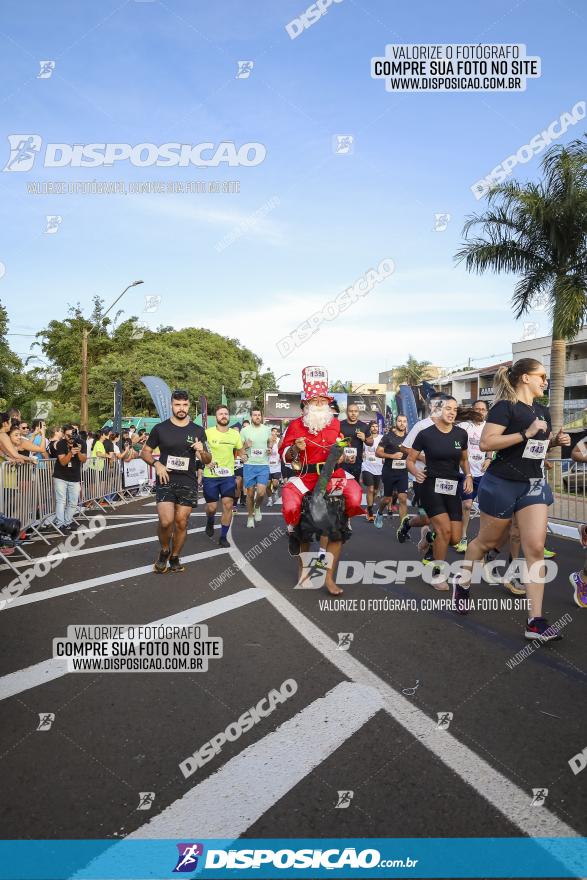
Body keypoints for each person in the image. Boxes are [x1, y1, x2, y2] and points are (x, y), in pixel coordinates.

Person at [459, 359, 571, 639]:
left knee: (535, 547)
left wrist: (555, 441)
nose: (545, 381)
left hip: (532, 484)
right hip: (502, 484)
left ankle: (536, 622)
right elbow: (487, 443)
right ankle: (461, 581)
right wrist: (525, 433)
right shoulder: (504, 407)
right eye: (541, 376)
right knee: (489, 542)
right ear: (524, 378)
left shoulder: (542, 409)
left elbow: (535, 447)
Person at [279, 366, 364, 595]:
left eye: (322, 400)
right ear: (306, 404)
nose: (319, 404)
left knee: (355, 497)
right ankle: (302, 563)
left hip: (332, 475)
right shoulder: (296, 425)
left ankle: (328, 578)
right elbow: (285, 454)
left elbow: (340, 448)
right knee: (293, 511)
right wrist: (294, 450)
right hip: (306, 477)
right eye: (314, 400)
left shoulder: (335, 424)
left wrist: (343, 453)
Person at [406, 397, 471, 591]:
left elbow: (464, 459)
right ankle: (437, 574)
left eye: (455, 410)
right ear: (438, 410)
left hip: (452, 487)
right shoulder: (425, 434)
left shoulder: (461, 434)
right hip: (430, 485)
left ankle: (428, 537)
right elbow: (410, 459)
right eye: (448, 409)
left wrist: (468, 475)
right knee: (444, 530)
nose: (452, 412)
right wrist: (415, 471)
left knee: (455, 538)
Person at [141, 390, 209, 572]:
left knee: (181, 522)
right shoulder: (160, 429)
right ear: (171, 405)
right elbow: (144, 452)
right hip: (166, 480)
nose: (181, 408)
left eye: (185, 405)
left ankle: (176, 556)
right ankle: (164, 550)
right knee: (166, 521)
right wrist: (157, 464)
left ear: (189, 406)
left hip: (188, 481)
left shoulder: (198, 431)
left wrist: (201, 450)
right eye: (177, 405)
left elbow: (207, 460)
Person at [397, 392, 452, 555]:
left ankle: (431, 550)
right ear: (430, 406)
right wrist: (423, 457)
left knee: (441, 517)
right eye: (436, 404)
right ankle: (408, 522)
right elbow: (404, 448)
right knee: (427, 518)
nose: (438, 407)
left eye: (442, 404)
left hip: (445, 479)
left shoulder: (451, 426)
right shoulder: (421, 426)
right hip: (423, 477)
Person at [202, 405, 243, 548]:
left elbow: (241, 450)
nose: (224, 416)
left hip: (228, 476)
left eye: (226, 413)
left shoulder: (235, 434)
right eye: (221, 414)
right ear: (216, 417)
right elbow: (200, 450)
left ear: (229, 416)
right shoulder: (207, 433)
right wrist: (205, 460)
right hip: (210, 476)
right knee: (212, 507)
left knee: (228, 505)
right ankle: (210, 519)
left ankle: (223, 537)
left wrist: (244, 456)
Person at [454, 402, 489, 552]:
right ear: (472, 411)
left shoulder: (489, 426)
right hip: (465, 472)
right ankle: (463, 538)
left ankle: (482, 540)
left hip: (483, 473)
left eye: (483, 409)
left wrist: (489, 458)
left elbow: (492, 444)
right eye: (477, 409)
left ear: (486, 412)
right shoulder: (463, 426)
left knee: (485, 508)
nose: (480, 412)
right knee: (467, 505)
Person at [374, 415, 409, 528]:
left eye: (404, 421)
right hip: (389, 471)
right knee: (387, 499)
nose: (402, 423)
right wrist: (391, 456)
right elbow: (378, 452)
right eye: (399, 421)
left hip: (403, 472)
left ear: (407, 423)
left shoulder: (409, 438)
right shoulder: (388, 437)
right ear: (396, 422)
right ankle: (379, 513)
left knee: (403, 498)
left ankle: (403, 528)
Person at [241, 408, 272, 528]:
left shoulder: (266, 429)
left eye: (259, 415)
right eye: (255, 415)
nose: (257, 417)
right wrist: (245, 445)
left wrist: (269, 448)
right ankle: (249, 517)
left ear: (261, 417)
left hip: (263, 464)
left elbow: (269, 442)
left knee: (261, 492)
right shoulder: (244, 431)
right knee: (249, 494)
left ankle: (257, 507)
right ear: (251, 417)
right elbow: (239, 449)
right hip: (249, 465)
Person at [53, 424, 88, 530]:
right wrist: (71, 452)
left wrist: (77, 452)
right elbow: (63, 462)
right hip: (60, 476)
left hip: (75, 476)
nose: (71, 438)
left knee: (73, 502)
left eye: (72, 435)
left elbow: (84, 459)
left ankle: (67, 522)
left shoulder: (81, 443)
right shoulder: (60, 444)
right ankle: (60, 523)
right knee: (61, 500)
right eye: (68, 436)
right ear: (64, 435)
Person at [338, 403, 373, 482]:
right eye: (351, 411)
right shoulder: (339, 425)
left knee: (355, 486)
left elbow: (371, 442)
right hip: (341, 462)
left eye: (355, 411)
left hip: (356, 463)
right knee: (342, 486)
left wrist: (364, 439)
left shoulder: (363, 426)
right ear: (347, 412)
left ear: (358, 412)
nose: (353, 413)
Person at [361, 421, 383, 521]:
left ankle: (369, 506)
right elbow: (360, 450)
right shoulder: (366, 439)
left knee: (375, 491)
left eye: (376, 426)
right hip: (367, 467)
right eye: (372, 426)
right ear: (370, 428)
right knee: (370, 489)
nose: (374, 428)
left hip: (379, 467)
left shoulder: (382, 438)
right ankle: (370, 511)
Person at [267, 427, 282, 506]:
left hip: (277, 466)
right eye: (273, 432)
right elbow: (267, 453)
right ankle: (269, 499)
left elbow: (282, 450)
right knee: (268, 484)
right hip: (268, 465)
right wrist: (270, 445)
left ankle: (275, 491)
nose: (274, 434)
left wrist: (281, 458)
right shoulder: (267, 441)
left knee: (275, 484)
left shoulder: (280, 441)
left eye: (276, 432)